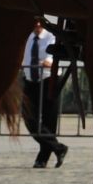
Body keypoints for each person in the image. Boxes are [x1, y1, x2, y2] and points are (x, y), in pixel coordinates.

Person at [22, 19, 69, 167]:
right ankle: (59, 148)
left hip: (49, 80)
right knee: (29, 119)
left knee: (49, 120)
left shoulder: (51, 37)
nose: (36, 25)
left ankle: (42, 159)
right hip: (31, 81)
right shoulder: (28, 37)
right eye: (34, 23)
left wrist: (46, 62)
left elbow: (50, 60)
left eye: (39, 23)